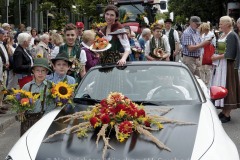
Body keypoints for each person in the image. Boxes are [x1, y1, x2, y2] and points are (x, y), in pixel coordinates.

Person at [211, 16, 240, 123]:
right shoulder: (223, 34)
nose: (219, 25)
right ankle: (224, 111)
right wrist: (215, 56)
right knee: (221, 86)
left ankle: (227, 113)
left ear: (227, 24)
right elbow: (220, 50)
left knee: (228, 86)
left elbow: (230, 53)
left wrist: (216, 57)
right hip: (221, 65)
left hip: (229, 65)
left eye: (221, 23)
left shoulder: (232, 35)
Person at [21, 58, 53, 136]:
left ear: (47, 72)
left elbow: (52, 105)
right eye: (37, 70)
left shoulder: (51, 86)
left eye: (43, 71)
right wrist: (20, 111)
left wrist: (44, 120)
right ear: (33, 71)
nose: (40, 73)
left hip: (44, 119)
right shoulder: (26, 87)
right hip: (28, 121)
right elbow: (20, 104)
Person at [199, 22, 216, 87]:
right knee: (202, 69)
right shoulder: (203, 35)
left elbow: (211, 44)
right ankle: (203, 83)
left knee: (208, 69)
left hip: (208, 53)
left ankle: (208, 84)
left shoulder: (211, 35)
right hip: (202, 53)